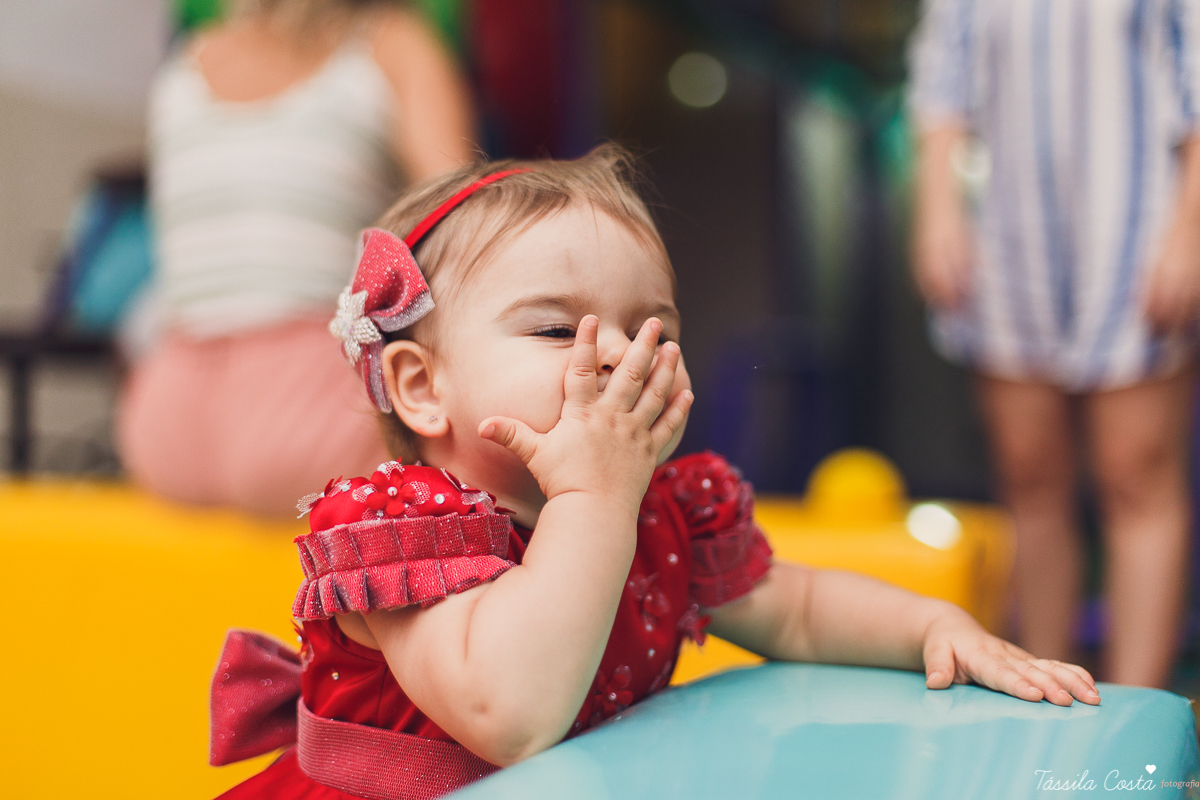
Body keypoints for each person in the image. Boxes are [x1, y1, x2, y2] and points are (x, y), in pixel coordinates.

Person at [208, 147, 1099, 799]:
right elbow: (509, 714)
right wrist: (592, 497)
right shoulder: (401, 530)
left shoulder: (662, 513)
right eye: (556, 329)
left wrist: (933, 626)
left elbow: (799, 607)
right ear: (421, 387)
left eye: (654, 332)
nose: (617, 358)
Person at [908, 0, 1199, 688]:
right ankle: (1048, 692)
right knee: (1028, 474)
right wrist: (937, 205)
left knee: (1136, 475)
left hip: (1138, 222)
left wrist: (1189, 228)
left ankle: (1138, 719)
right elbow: (941, 70)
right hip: (1013, 235)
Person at [117, 0, 475, 516]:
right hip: (311, 411)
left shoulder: (185, 67)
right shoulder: (392, 47)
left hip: (164, 418)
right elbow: (463, 227)